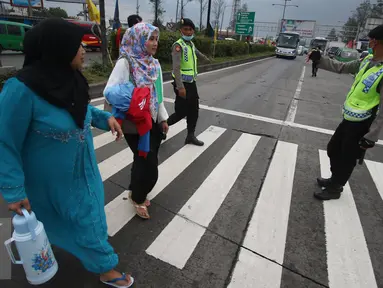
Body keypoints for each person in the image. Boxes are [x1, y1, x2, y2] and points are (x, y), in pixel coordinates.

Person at [0, 18, 134, 287]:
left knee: (88, 214)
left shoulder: (71, 79)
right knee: (81, 219)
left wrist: (102, 118)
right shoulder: (20, 92)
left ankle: (86, 255)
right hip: (48, 181)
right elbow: (5, 141)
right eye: (77, 45)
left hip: (84, 169)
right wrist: (13, 190)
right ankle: (105, 267)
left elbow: (79, 110)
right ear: (57, 49)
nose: (84, 49)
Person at [103, 23, 169, 219]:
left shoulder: (154, 64)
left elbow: (158, 94)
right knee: (149, 165)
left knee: (143, 160)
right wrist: (134, 97)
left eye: (156, 39)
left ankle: (134, 188)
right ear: (138, 39)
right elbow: (109, 91)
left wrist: (163, 118)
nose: (155, 43)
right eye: (151, 38)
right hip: (135, 123)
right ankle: (138, 198)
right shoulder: (126, 62)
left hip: (153, 122)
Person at [312, 25, 383, 201]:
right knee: (333, 148)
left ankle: (335, 187)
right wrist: (319, 58)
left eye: (374, 40)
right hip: (349, 118)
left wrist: (371, 136)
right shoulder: (366, 61)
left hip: (363, 122)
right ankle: (335, 179)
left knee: (347, 157)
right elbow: (341, 67)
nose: (371, 43)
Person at [167, 18, 210, 146]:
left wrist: (206, 59)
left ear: (193, 31)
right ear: (181, 30)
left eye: (190, 29)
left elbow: (197, 53)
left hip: (191, 83)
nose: (188, 32)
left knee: (194, 110)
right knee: (181, 112)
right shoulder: (178, 46)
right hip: (182, 84)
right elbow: (176, 67)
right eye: (185, 29)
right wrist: (180, 87)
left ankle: (190, 135)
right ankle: (161, 127)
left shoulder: (190, 44)